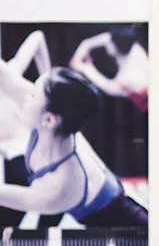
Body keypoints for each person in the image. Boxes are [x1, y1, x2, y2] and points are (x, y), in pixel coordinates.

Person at [0, 45, 149, 228]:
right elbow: (5, 76)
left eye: (33, 94)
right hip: (71, 187)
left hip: (115, 215)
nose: (25, 95)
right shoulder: (52, 119)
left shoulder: (60, 187)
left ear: (48, 120)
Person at [70, 26, 150, 113]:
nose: (107, 42)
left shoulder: (129, 77)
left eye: (110, 42)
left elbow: (109, 87)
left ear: (114, 46)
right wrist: (80, 55)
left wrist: (85, 68)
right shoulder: (131, 45)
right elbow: (88, 43)